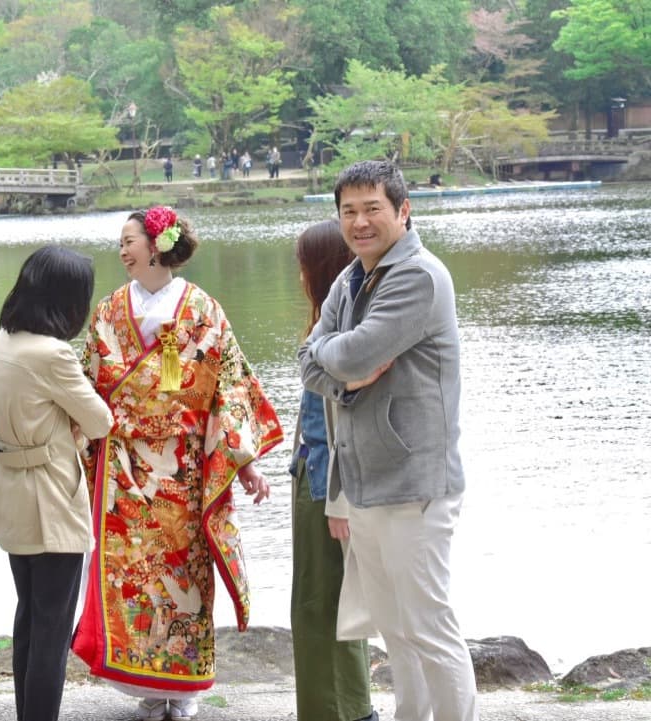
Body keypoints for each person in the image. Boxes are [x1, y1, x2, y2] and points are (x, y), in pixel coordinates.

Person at [72, 206, 283, 721]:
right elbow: (86, 383)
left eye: (130, 241)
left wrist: (243, 460)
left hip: (183, 470)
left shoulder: (201, 309)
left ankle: (183, 689)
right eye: (119, 242)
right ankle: (146, 684)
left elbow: (228, 385)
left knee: (184, 578)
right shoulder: (109, 310)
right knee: (133, 576)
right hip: (124, 469)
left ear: (158, 245)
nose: (122, 251)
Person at [298, 160, 478, 721]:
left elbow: (349, 353)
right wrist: (343, 369)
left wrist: (339, 360)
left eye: (373, 208)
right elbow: (309, 360)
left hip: (415, 484)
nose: (360, 222)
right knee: (396, 631)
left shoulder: (417, 275)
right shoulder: (349, 278)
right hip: (364, 484)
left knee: (429, 626)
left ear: (403, 210)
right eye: (348, 211)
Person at [0, 246, 114, 721]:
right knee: (53, 625)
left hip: (12, 489)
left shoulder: (4, 340)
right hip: (51, 497)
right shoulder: (53, 354)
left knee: (30, 615)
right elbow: (100, 421)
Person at [290, 220, 376, 721]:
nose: (297, 274)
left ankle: (340, 711)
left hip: (326, 485)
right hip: (315, 476)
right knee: (327, 605)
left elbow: (336, 424)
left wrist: (334, 500)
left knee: (325, 607)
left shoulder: (340, 329)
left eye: (302, 264)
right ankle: (342, 708)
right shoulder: (335, 322)